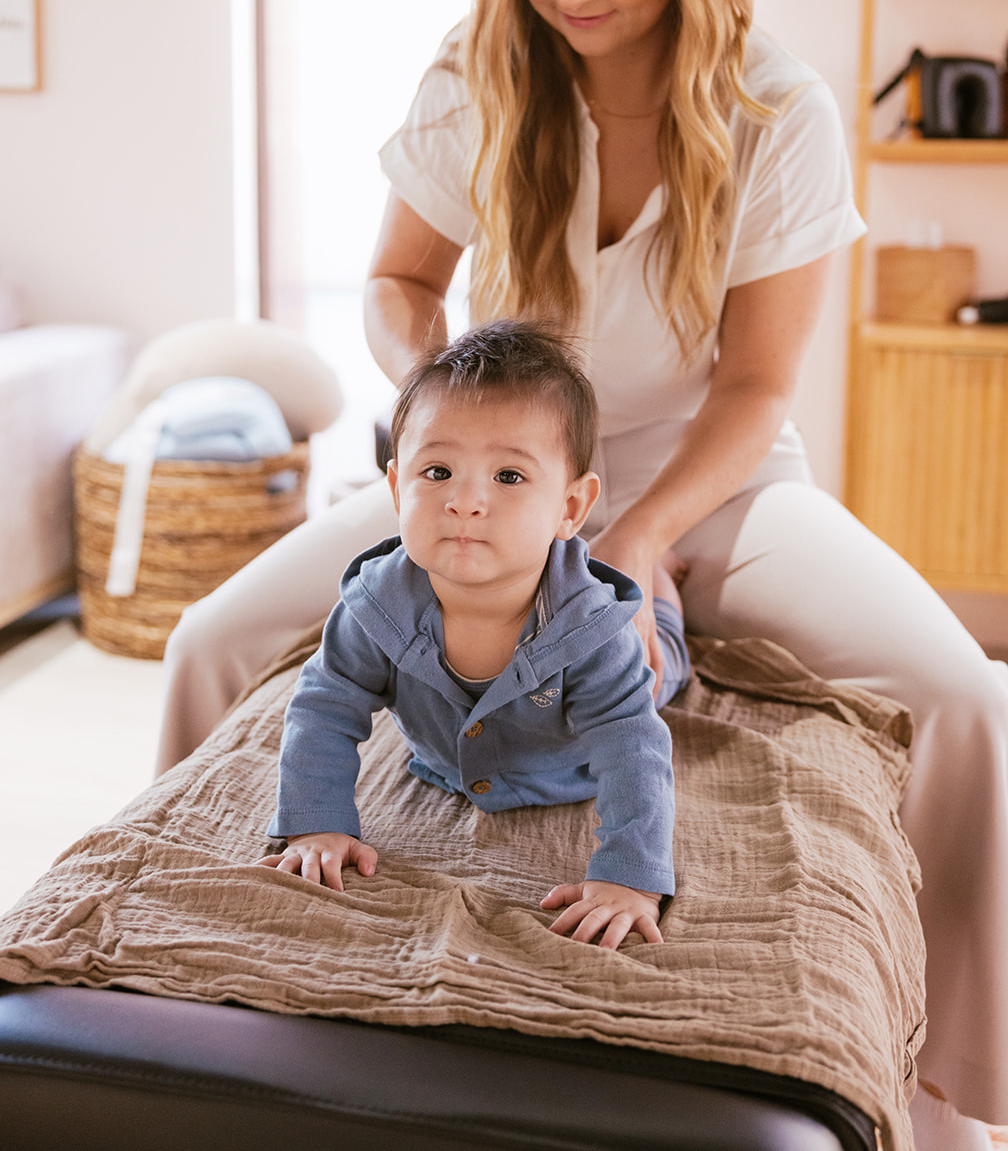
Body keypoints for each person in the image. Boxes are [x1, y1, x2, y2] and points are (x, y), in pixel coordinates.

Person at [158, 0, 1008, 1149]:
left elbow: (753, 384)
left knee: (963, 698)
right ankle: (180, 1016)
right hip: (505, 473)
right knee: (210, 635)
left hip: (712, 474)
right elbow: (395, 283)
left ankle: (952, 1091)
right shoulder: (479, 69)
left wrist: (628, 538)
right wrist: (444, 416)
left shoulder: (776, 110)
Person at [256, 321, 688, 949]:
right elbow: (324, 706)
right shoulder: (377, 603)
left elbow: (633, 748)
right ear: (396, 484)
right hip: (444, 764)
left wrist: (630, 877)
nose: (465, 502)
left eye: (508, 477)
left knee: (662, 661)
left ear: (570, 508)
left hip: (572, 763)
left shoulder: (592, 631)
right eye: (437, 471)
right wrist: (316, 822)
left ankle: (664, 584)